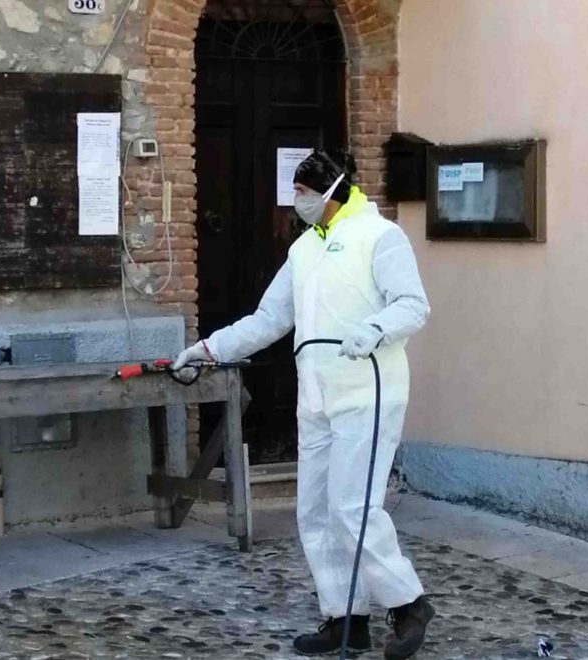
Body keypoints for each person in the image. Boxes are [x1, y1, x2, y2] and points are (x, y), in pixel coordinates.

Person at [173, 149, 435, 659]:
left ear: (331, 190)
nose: (297, 200)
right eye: (295, 191)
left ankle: (408, 605)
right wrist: (208, 350)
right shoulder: (303, 250)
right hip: (315, 394)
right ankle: (344, 618)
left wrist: (374, 328)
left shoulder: (380, 236)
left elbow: (412, 305)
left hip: (367, 388)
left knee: (352, 506)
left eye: (303, 191)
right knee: (314, 510)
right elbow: (269, 319)